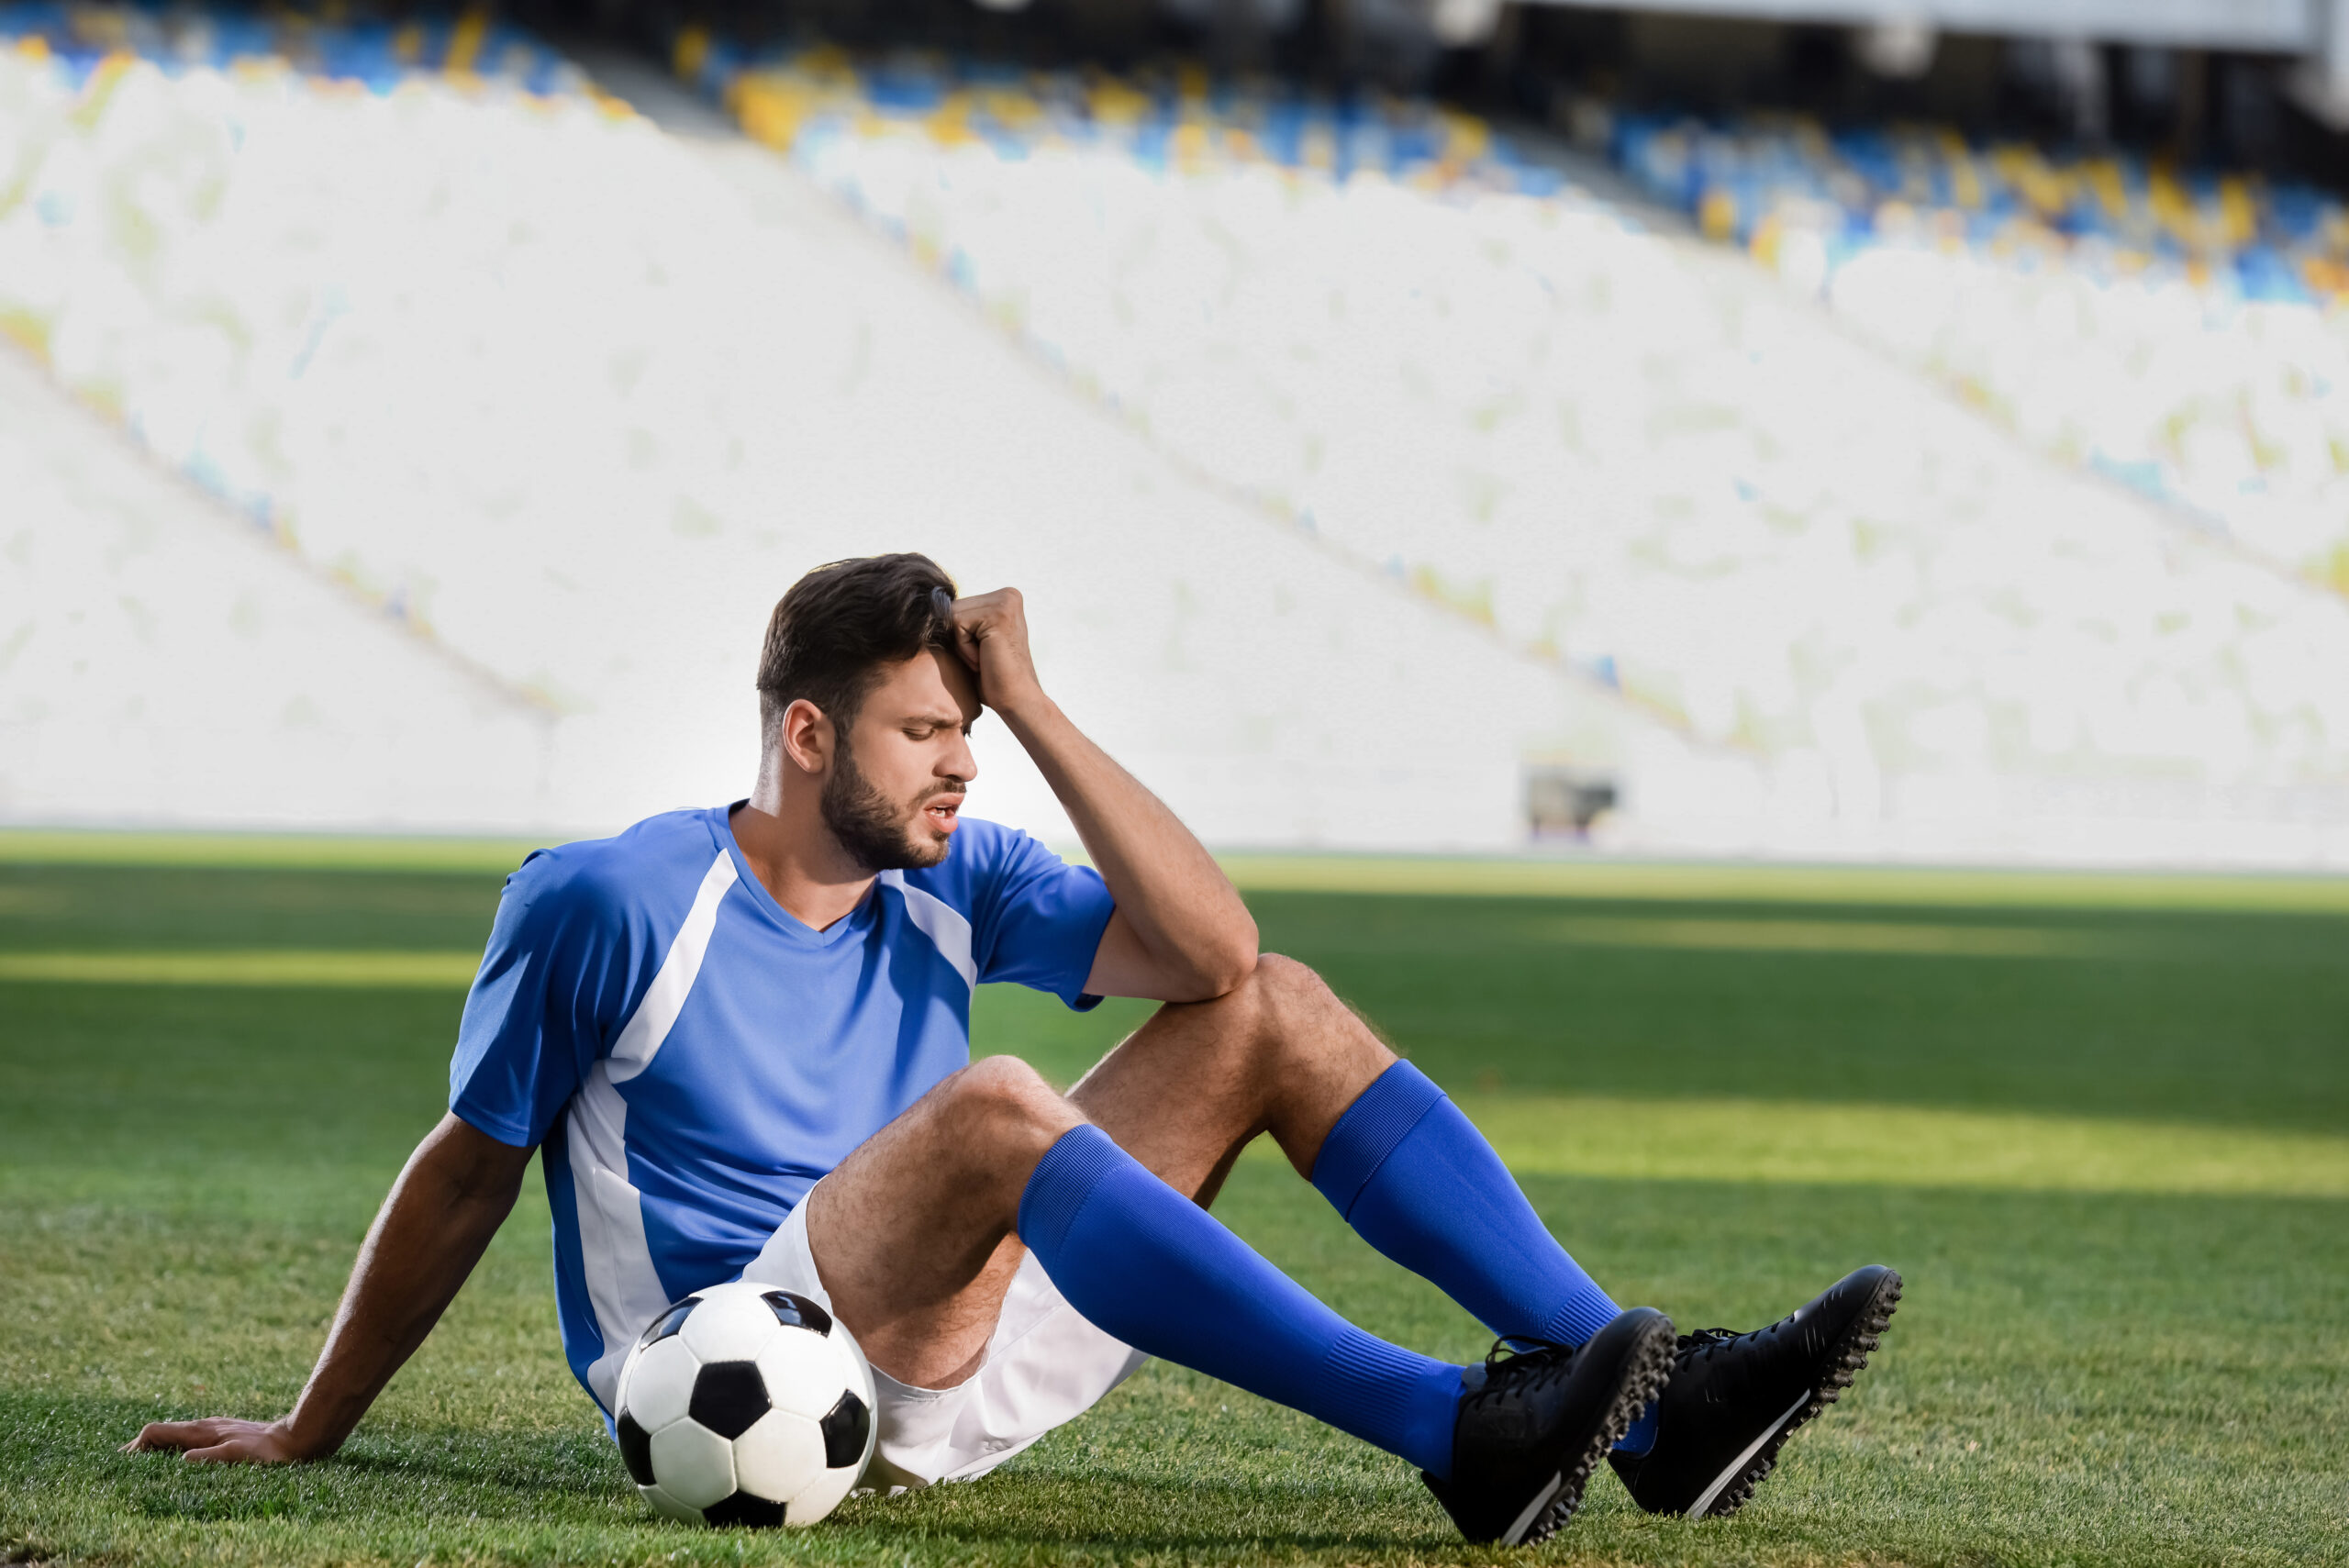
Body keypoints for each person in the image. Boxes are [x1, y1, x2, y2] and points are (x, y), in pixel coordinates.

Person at [128, 552, 1900, 1541]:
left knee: (1270, 1009)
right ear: (805, 735)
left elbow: (1217, 954)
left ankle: (1650, 1410)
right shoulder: (608, 898)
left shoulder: (959, 862)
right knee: (995, 1102)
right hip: (737, 1350)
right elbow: (467, 1166)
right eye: (925, 732)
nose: (958, 766)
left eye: (968, 731)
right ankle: (1451, 1431)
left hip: (957, 1306)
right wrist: (312, 1424)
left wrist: (1036, 706)